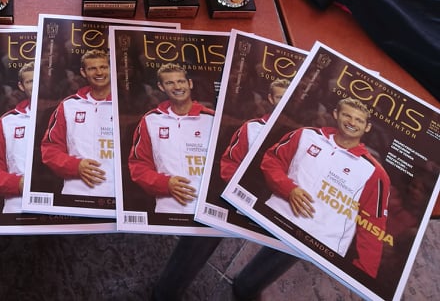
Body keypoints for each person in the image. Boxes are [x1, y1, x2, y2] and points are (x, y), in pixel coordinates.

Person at [261, 97, 390, 278]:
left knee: (256, 284)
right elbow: (272, 161)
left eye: (359, 120)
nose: (352, 123)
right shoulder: (306, 135)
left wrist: (364, 273)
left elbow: (373, 224)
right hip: (274, 219)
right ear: (336, 114)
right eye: (347, 115)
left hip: (320, 247)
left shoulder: (374, 173)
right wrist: (289, 189)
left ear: (367, 127)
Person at [128, 63, 215, 214]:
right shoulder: (151, 120)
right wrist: (166, 184)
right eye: (170, 83)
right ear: (161, 87)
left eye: (181, 81)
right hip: (167, 210)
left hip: (207, 212)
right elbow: (138, 166)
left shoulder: (211, 118)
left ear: (190, 83)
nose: (177, 87)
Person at [40, 49, 114, 197]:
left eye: (103, 67)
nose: (99, 72)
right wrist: (76, 166)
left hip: (114, 194)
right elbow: (50, 150)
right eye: (92, 68)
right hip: (74, 193)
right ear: (83, 72)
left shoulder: (120, 106)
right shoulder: (68, 106)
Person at [0, 62, 34, 213]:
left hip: (59, 209)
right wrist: (18, 184)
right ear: (21, 86)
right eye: (30, 81)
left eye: (38, 80)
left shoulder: (64, 111)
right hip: (16, 208)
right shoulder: (8, 122)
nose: (35, 85)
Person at [219, 78, 290, 181]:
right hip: (247, 183)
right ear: (270, 98)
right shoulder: (251, 127)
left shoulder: (300, 133)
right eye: (279, 97)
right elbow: (230, 164)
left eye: (288, 97)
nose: (284, 102)